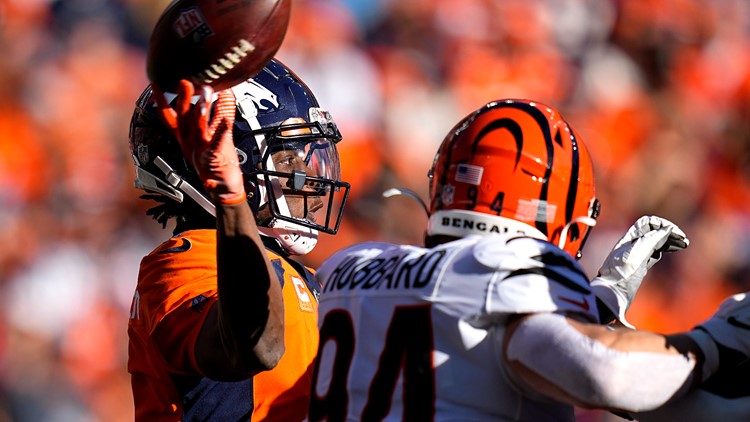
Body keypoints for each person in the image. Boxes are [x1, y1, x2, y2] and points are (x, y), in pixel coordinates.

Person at [308, 99, 750, 421]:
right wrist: (714, 341)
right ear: (567, 217)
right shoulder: (506, 268)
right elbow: (603, 372)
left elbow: (472, 329)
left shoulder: (353, 264)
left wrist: (598, 302)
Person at [127, 59, 350, 421]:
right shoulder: (184, 262)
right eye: (288, 157)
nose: (308, 176)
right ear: (230, 161)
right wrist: (230, 197)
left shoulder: (299, 274)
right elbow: (256, 345)